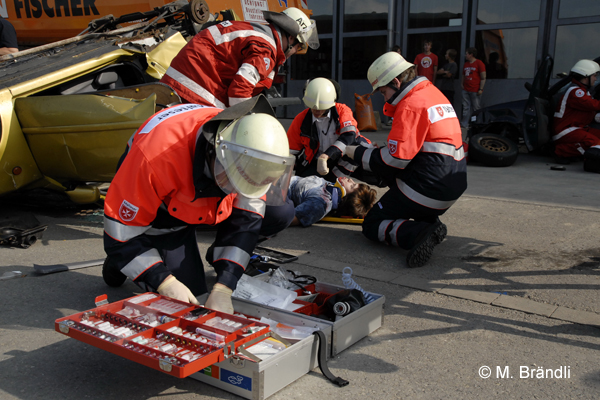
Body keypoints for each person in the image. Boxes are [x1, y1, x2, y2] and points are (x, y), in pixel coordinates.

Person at [102, 96, 296, 314]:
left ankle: (214, 256)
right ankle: (124, 258)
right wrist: (164, 282)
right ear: (215, 153)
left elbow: (245, 226)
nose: (236, 191)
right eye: (233, 181)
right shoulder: (154, 159)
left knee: (280, 211)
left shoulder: (249, 150)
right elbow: (120, 233)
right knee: (188, 301)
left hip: (204, 204)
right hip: (166, 211)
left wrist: (225, 285)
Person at [345, 52, 467, 268]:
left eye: (384, 92)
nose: (385, 98)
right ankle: (430, 221)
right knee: (384, 167)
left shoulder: (411, 104)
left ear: (396, 82)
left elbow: (394, 161)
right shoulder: (432, 94)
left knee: (372, 224)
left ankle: (419, 232)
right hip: (448, 187)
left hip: (426, 190)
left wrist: (355, 152)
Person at [160, 7, 318, 108]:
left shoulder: (255, 31)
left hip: (181, 80)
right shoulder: (266, 49)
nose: (296, 51)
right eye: (299, 46)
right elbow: (239, 93)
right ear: (291, 38)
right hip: (196, 88)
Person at [287, 77, 374, 182]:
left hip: (343, 158)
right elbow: (290, 152)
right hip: (315, 161)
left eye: (321, 107)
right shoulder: (301, 119)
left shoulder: (342, 111)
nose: (316, 110)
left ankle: (334, 183)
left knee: (363, 159)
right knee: (304, 184)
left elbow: (349, 136)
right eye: (313, 107)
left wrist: (325, 155)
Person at [552, 59, 600, 172]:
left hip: (576, 128)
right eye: (594, 76)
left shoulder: (583, 91)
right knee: (593, 143)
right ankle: (559, 151)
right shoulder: (575, 92)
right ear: (585, 76)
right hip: (565, 130)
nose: (596, 79)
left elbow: (587, 111)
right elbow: (592, 105)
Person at [288, 175, 378, 227]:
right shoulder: (330, 187)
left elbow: (288, 219)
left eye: (352, 185)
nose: (350, 180)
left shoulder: (320, 204)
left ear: (343, 197)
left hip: (278, 191)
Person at [460, 47, 486, 128]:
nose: (465, 55)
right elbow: (463, 75)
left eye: (467, 53)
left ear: (471, 54)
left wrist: (481, 88)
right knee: (466, 107)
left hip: (475, 89)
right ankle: (464, 123)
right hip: (466, 89)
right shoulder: (466, 64)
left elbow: (483, 77)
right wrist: (462, 84)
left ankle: (476, 123)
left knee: (476, 108)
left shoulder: (479, 63)